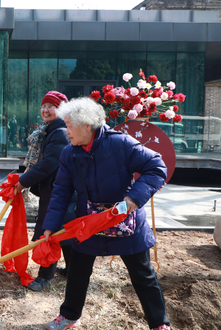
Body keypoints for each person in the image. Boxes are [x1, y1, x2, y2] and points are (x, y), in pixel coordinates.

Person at [42, 97, 170, 330]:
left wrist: (133, 199)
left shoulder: (120, 143)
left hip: (126, 221)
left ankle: (159, 323)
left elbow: (157, 167)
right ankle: (70, 316)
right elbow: (60, 192)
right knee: (78, 272)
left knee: (143, 275)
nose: (66, 131)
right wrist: (49, 225)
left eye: (69, 125)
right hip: (89, 223)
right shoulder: (69, 153)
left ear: (87, 126)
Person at [14, 91, 73, 292]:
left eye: (51, 106)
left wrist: (23, 182)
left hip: (59, 191)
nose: (46, 110)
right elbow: (40, 161)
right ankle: (74, 270)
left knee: (51, 231)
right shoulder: (49, 130)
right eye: (44, 105)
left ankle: (45, 277)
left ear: (62, 109)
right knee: (65, 231)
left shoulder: (60, 132)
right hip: (57, 189)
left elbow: (48, 164)